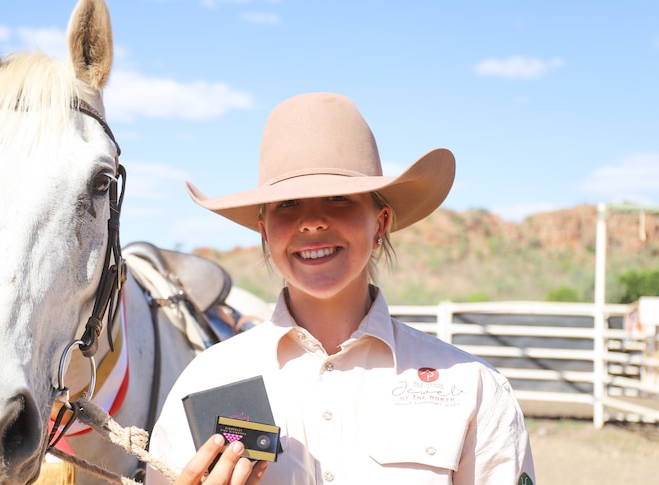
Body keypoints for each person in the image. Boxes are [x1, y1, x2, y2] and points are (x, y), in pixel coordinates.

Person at [145, 92, 536, 485]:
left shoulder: (471, 387)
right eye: (287, 203)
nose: (312, 222)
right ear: (265, 231)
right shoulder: (206, 381)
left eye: (338, 197)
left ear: (380, 224)